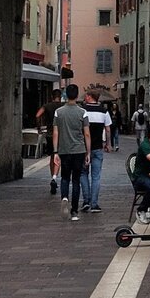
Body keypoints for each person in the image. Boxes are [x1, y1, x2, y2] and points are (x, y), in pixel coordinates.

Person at [52, 84, 90, 222]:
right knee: (76, 180)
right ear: (77, 94)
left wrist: (55, 151)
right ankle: (74, 211)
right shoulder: (82, 112)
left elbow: (56, 132)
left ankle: (64, 197)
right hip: (79, 150)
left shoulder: (58, 112)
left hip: (64, 149)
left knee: (65, 177)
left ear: (66, 95)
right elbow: (86, 133)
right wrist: (88, 153)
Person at [79, 91, 112, 213]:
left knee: (83, 174)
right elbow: (108, 129)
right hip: (98, 147)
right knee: (96, 176)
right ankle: (94, 203)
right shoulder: (104, 111)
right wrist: (108, 144)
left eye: (86, 96)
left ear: (89, 97)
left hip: (83, 148)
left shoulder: (82, 111)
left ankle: (86, 201)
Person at [36, 89, 63, 194]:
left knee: (52, 156)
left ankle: (53, 176)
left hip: (50, 134)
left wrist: (39, 128)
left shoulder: (47, 106)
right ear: (60, 97)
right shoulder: (62, 107)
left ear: (52, 96)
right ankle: (55, 177)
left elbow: (38, 115)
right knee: (59, 156)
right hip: (61, 134)